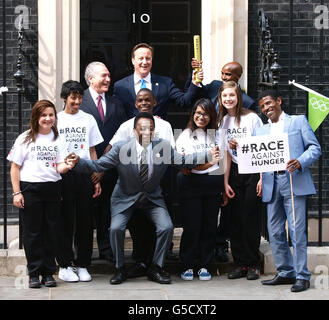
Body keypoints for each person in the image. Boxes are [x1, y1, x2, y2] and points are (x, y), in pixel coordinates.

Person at [66, 112, 219, 285]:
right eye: (142, 129)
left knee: (167, 227)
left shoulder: (163, 147)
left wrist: (207, 155)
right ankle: (120, 268)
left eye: (151, 129)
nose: (147, 133)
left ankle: (156, 267)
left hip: (152, 197)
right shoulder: (121, 148)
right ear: (134, 131)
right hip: (124, 198)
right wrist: (78, 162)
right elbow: (99, 165)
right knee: (116, 229)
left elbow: (184, 160)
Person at [187, 60, 257, 262]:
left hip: (235, 165)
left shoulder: (250, 108)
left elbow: (257, 142)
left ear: (238, 78)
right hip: (210, 151)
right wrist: (195, 76)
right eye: (223, 74)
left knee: (233, 209)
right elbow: (191, 97)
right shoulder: (213, 89)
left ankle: (221, 244)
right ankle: (209, 245)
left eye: (229, 76)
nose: (224, 78)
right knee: (216, 203)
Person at [255, 90, 321, 292]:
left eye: (268, 103)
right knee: (274, 231)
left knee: (296, 230)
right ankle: (285, 272)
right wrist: (259, 178)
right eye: (263, 106)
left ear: (278, 101)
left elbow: (314, 148)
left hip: (293, 180)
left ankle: (302, 275)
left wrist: (300, 161)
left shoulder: (298, 122)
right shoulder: (261, 131)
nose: (266, 108)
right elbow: (257, 157)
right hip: (270, 181)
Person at [107, 88, 176, 278]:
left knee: (163, 226)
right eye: (140, 100)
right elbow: (110, 150)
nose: (144, 103)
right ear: (136, 104)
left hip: (154, 187)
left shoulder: (164, 126)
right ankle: (136, 263)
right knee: (135, 229)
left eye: (148, 100)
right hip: (130, 189)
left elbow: (173, 156)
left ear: (154, 102)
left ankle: (156, 266)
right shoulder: (126, 126)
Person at [7, 100, 73, 288]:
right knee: (33, 233)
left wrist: (67, 166)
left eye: (51, 115)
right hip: (30, 189)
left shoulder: (58, 139)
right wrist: (16, 192)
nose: (47, 118)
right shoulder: (25, 138)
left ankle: (48, 272)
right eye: (43, 115)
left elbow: (59, 167)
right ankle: (34, 273)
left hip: (52, 188)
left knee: (51, 231)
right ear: (36, 117)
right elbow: (15, 167)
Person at [57, 80, 104, 282]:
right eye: (73, 97)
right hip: (63, 175)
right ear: (64, 98)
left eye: (79, 97)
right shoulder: (56, 119)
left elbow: (92, 149)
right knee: (65, 221)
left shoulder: (88, 119)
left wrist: (97, 178)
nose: (77, 101)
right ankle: (65, 265)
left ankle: (83, 264)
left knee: (85, 222)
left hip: (84, 173)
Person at [80, 61, 127, 262]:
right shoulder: (79, 102)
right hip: (84, 168)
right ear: (91, 78)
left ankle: (106, 249)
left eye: (109, 75)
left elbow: (122, 136)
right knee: (83, 212)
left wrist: (104, 166)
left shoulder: (116, 103)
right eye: (103, 76)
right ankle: (83, 253)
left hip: (110, 167)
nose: (108, 79)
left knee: (107, 209)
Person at [176, 98, 226, 281]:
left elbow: (220, 162)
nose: (201, 117)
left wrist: (203, 164)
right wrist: (207, 162)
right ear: (193, 114)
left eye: (205, 114)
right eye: (198, 113)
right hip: (190, 185)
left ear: (211, 116)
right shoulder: (185, 135)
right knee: (192, 226)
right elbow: (186, 165)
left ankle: (205, 264)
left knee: (209, 226)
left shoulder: (217, 135)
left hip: (212, 184)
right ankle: (187, 264)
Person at [218, 81, 263, 280]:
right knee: (234, 218)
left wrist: (262, 178)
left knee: (250, 218)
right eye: (224, 96)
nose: (228, 99)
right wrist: (225, 182)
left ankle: (253, 264)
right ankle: (240, 263)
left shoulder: (252, 118)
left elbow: (262, 147)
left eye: (232, 95)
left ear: (239, 97)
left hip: (253, 170)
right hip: (234, 171)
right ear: (220, 99)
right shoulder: (222, 123)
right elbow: (226, 154)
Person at [113, 42, 203, 120]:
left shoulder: (165, 83)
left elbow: (184, 101)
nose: (144, 62)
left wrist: (194, 82)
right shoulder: (121, 86)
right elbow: (117, 114)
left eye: (148, 58)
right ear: (133, 60)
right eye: (140, 58)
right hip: (131, 136)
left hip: (158, 135)